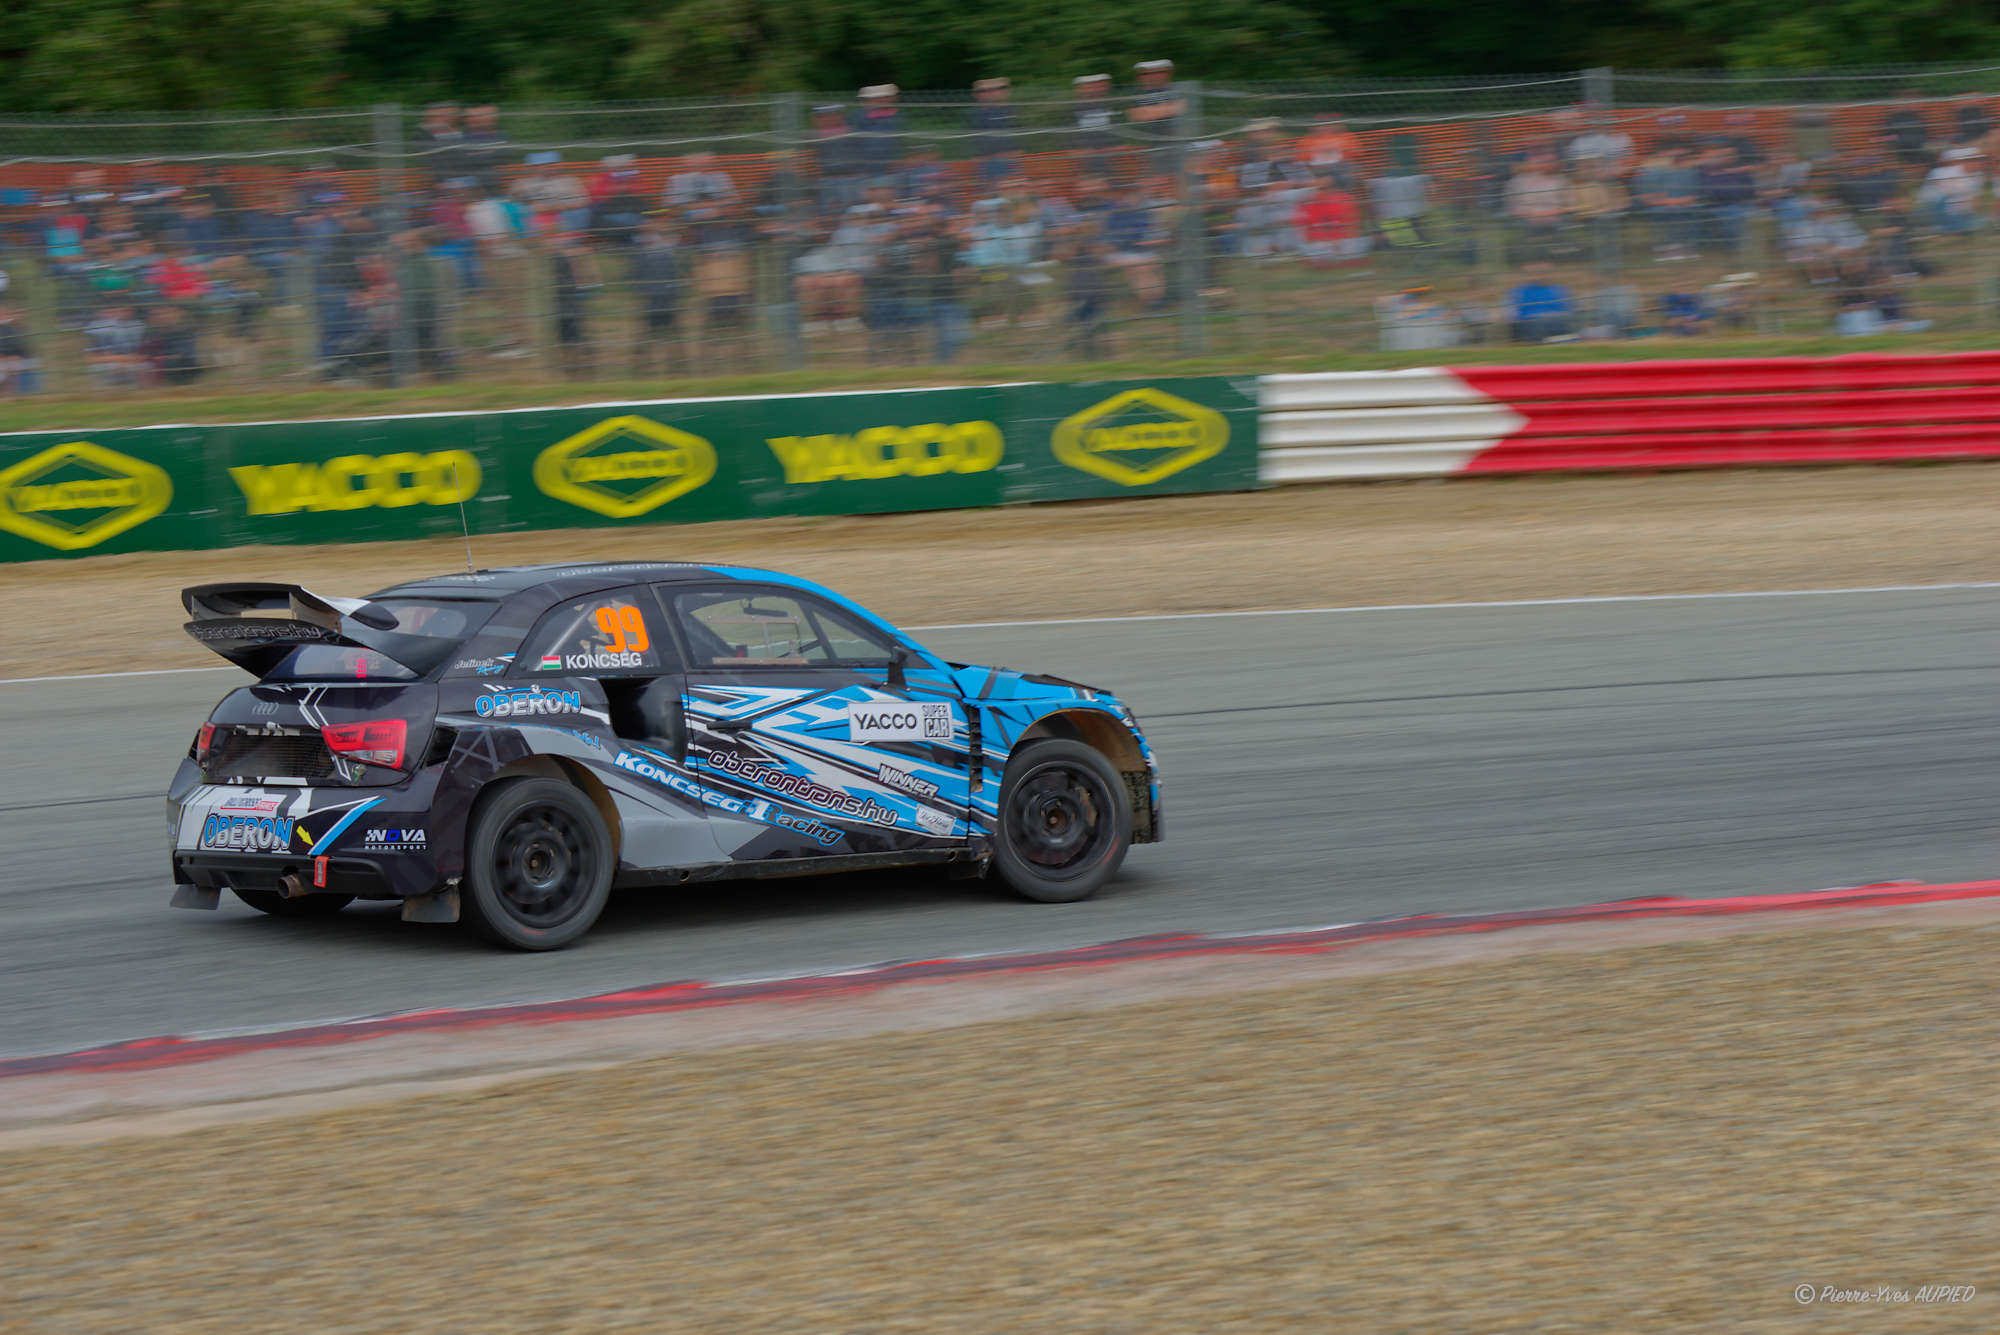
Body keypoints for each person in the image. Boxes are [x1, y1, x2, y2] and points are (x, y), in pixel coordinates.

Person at [629, 216, 687, 375]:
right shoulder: (641, 252)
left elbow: (678, 273)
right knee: (648, 333)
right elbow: (635, 277)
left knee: (671, 334)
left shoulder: (670, 249)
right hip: (651, 299)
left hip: (667, 297)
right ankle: (642, 366)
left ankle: (675, 365)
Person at [1507, 262, 1575, 342]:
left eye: (1542, 273)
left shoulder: (1559, 289)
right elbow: (1510, 314)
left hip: (1557, 322)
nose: (1538, 276)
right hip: (1530, 324)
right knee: (1537, 325)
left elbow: (1570, 309)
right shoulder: (1518, 292)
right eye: (1533, 274)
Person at [969, 78, 1019, 186]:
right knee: (990, 192)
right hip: (987, 160)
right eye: (983, 91)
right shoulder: (976, 115)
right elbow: (974, 141)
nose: (990, 93)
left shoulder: (1013, 111)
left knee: (1013, 189)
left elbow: (1020, 136)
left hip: (1011, 158)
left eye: (998, 89)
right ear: (976, 95)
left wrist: (1015, 153)